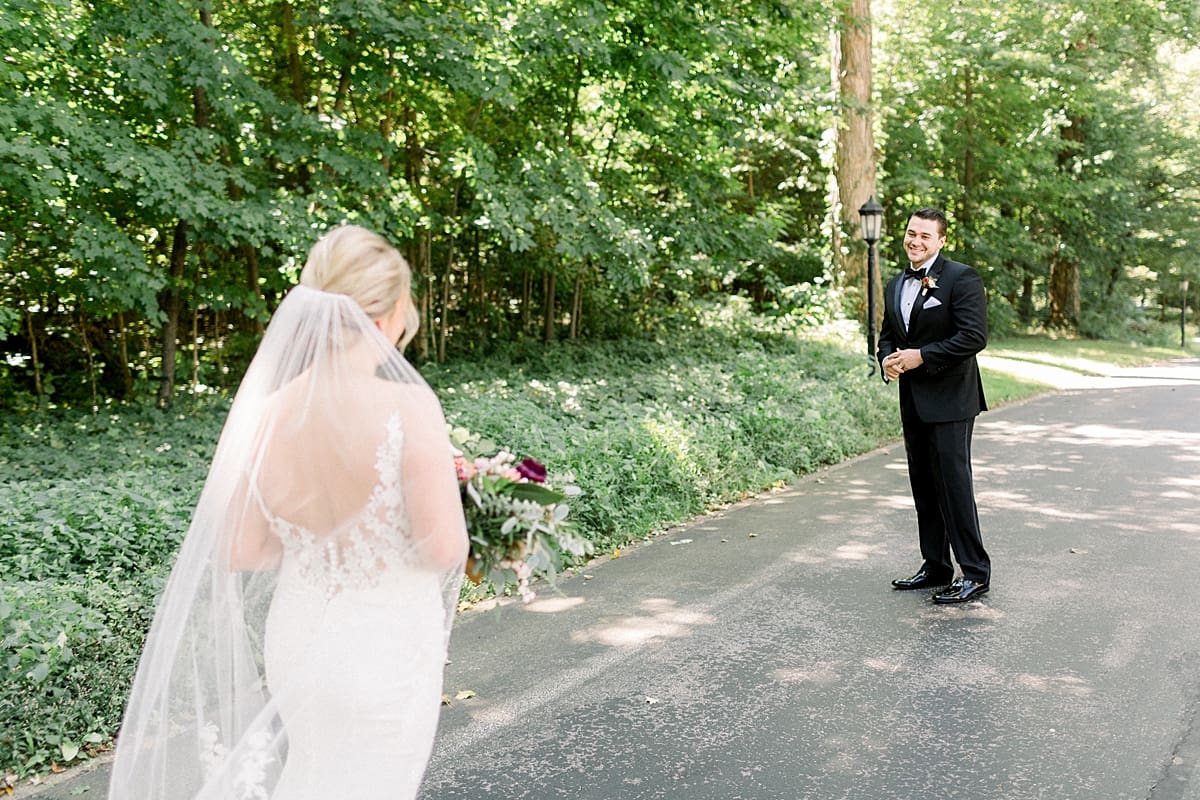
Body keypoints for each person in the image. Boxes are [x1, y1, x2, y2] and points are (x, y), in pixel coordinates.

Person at [108, 225, 469, 799]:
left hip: (297, 640)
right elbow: (443, 549)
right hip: (382, 647)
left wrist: (315, 538)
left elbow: (243, 549)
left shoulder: (268, 412)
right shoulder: (408, 405)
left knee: (313, 774)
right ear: (380, 321)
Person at [877, 207, 990, 604]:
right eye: (911, 233)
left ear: (941, 241)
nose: (916, 241)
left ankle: (974, 572)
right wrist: (888, 360)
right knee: (923, 486)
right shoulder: (894, 284)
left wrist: (921, 356)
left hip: (952, 400)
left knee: (954, 487)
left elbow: (974, 337)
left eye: (925, 236)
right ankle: (936, 565)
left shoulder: (961, 278)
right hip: (913, 401)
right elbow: (888, 335)